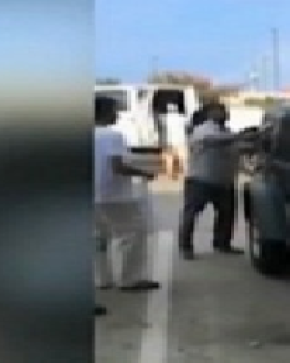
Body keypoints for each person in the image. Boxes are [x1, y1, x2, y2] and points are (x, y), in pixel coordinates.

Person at [94, 96, 162, 292]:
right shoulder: (112, 136)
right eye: (115, 110)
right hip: (113, 194)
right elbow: (117, 166)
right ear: (105, 112)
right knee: (133, 233)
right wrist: (144, 173)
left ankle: (102, 279)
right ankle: (130, 279)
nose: (117, 114)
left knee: (98, 237)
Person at [177, 102, 255, 260]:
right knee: (191, 215)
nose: (225, 113)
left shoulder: (227, 132)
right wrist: (241, 136)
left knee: (226, 214)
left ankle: (222, 243)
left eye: (225, 110)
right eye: (220, 111)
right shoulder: (202, 130)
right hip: (200, 180)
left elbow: (238, 148)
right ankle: (186, 247)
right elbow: (213, 140)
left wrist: (252, 140)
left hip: (223, 181)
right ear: (209, 114)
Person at [162, 104, 188, 180]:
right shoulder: (182, 118)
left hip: (169, 140)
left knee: (169, 158)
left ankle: (170, 174)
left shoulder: (165, 118)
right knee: (182, 158)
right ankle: (184, 174)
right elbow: (188, 124)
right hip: (180, 140)